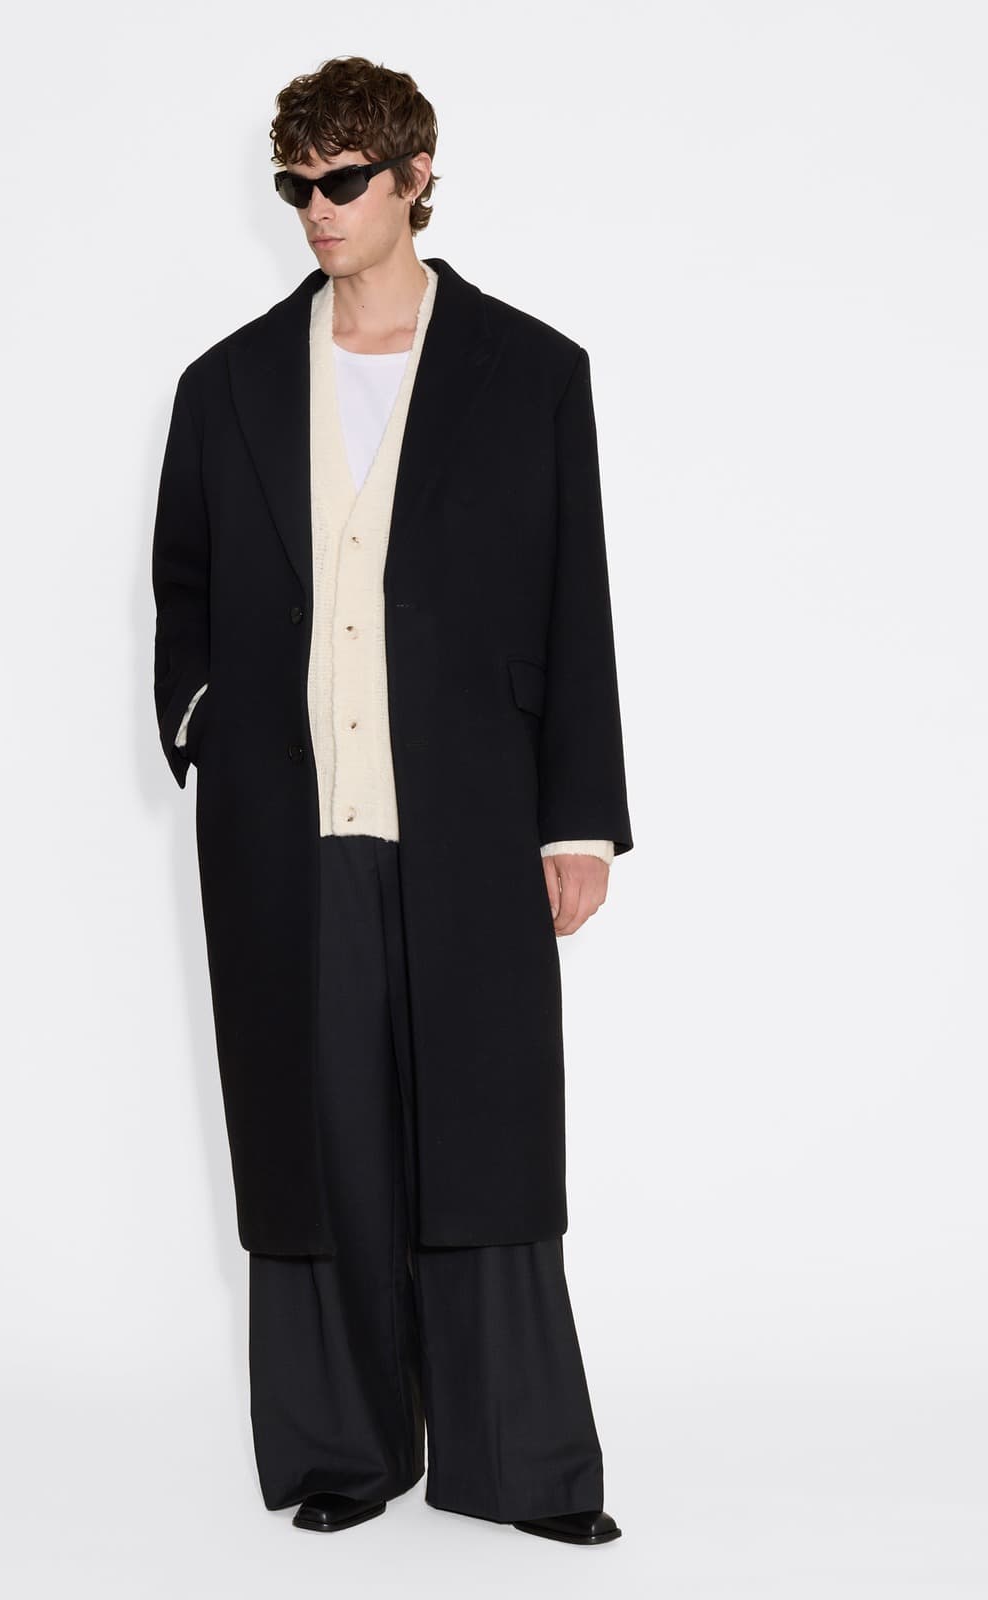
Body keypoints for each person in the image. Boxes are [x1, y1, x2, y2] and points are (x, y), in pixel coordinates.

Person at [151, 55, 633, 1545]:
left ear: (416, 177)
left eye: (342, 180)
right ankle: (340, 1454)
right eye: (294, 183)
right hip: (283, 831)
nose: (315, 208)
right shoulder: (227, 384)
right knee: (315, 1136)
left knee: (486, 1128)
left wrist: (578, 818)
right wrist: (205, 724)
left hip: (473, 816)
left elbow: (575, 604)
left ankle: (518, 1465)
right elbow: (184, 586)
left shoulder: (532, 371)